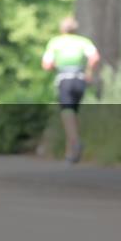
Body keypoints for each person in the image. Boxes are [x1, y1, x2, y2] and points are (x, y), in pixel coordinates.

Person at [41, 16, 100, 164]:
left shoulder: (55, 42)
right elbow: (95, 58)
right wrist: (89, 72)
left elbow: (46, 64)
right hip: (80, 80)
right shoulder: (83, 41)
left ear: (62, 29)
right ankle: (70, 154)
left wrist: (57, 66)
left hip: (65, 80)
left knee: (67, 113)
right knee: (73, 114)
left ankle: (75, 141)